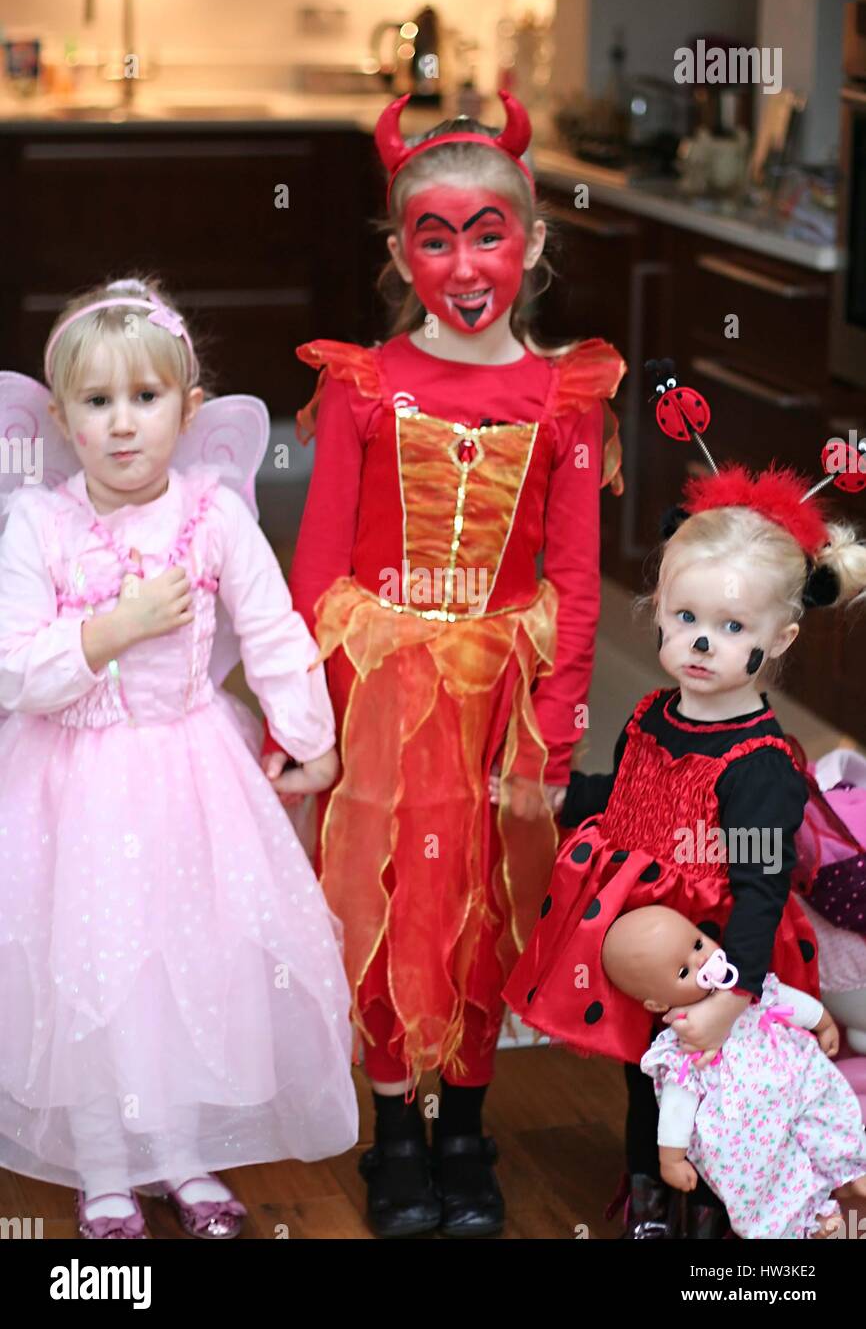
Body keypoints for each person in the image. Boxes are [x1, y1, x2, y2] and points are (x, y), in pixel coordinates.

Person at [260, 90, 626, 1237]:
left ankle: (463, 1128)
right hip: (378, 698)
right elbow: (314, 577)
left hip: (501, 708)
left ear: (533, 241)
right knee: (382, 902)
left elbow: (571, 583)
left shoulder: (565, 396)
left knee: (483, 912)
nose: (464, 264)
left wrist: (554, 735)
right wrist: (303, 732)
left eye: (488, 233)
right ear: (398, 251)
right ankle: (394, 1136)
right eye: (435, 236)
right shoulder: (363, 385)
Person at [0, 277, 358, 1240]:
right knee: (96, 972)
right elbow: (11, 669)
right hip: (70, 787)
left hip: (193, 775)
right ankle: (106, 1166)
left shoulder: (214, 518)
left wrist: (313, 744)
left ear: (187, 411)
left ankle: (181, 1149)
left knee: (193, 962)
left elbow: (277, 632)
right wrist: (111, 629)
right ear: (63, 418)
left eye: (146, 399)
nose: (123, 425)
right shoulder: (39, 526)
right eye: (97, 402)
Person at [504, 417, 866, 1239]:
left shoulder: (760, 766)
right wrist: (558, 793)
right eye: (686, 617)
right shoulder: (650, 713)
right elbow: (628, 791)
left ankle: (713, 1209)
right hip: (644, 937)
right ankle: (649, 1195)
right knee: (648, 1071)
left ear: (781, 638)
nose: (703, 641)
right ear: (659, 613)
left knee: (721, 1086)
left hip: (719, 949)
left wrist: (733, 998)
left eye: (734, 628)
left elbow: (762, 887)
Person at [603, 906, 866, 1239]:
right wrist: (671, 1158)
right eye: (683, 971)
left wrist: (823, 1022)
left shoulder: (742, 989)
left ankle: (850, 1171)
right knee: (765, 1181)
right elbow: (676, 1106)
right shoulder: (683, 1051)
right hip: (750, 1132)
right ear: (656, 1004)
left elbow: (784, 1000)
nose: (700, 962)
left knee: (830, 1115)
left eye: (698, 945)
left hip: (800, 1087)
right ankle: (805, 1220)